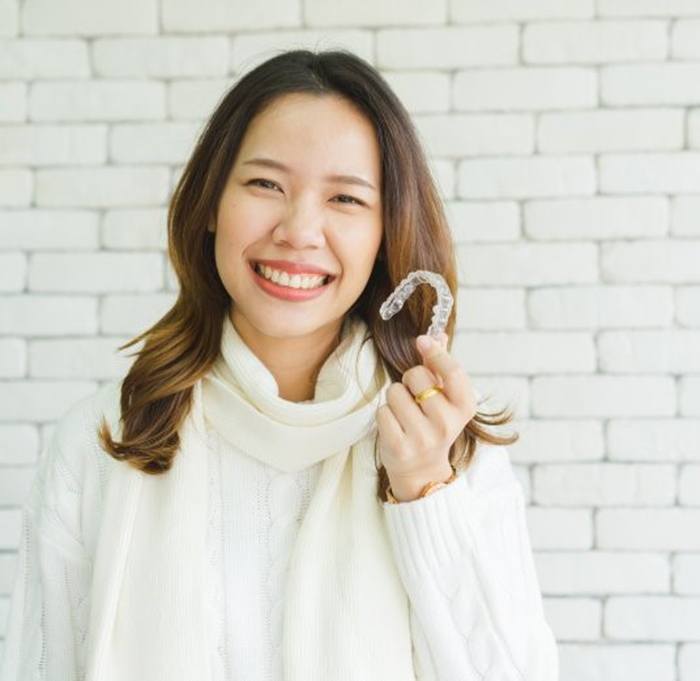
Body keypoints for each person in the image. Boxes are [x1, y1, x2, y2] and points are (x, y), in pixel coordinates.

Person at [0, 49, 559, 681]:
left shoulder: (448, 444)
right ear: (211, 203)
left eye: (346, 198)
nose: (299, 230)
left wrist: (425, 492)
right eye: (266, 185)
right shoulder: (103, 442)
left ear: (384, 232)